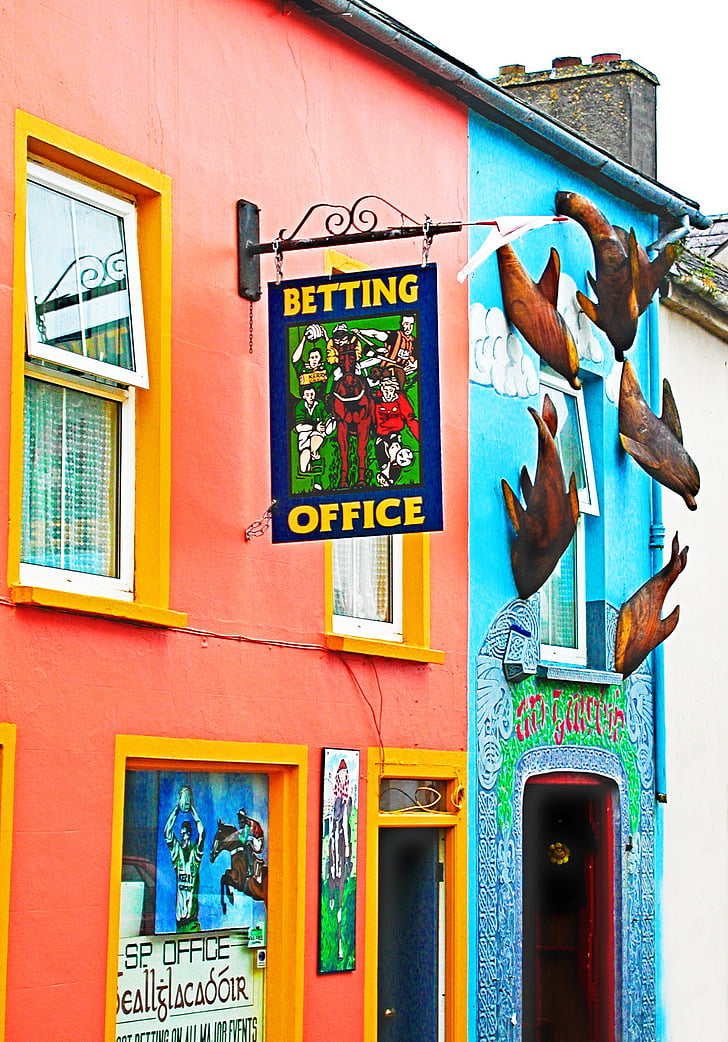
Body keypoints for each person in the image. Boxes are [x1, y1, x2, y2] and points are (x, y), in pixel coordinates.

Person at [164, 786, 206, 932]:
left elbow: (202, 832)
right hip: (179, 923)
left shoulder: (195, 855)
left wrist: (192, 810)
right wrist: (177, 809)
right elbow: (167, 832)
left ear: (190, 834)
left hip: (192, 922)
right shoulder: (178, 855)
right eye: (182, 834)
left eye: (186, 834)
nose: (184, 837)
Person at [372, 367, 420, 486]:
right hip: (380, 434)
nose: (388, 393)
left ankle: (391, 478)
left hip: (394, 433)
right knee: (382, 451)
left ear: (395, 389)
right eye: (385, 389)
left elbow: (410, 419)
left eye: (390, 389)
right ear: (381, 388)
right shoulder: (375, 399)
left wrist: (420, 437)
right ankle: (384, 472)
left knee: (395, 450)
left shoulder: (400, 400)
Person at [294, 386, 332, 476]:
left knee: (316, 439)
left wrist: (328, 423)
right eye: (307, 395)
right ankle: (309, 463)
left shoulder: (320, 404)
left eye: (312, 394)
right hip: (305, 433)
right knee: (304, 468)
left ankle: (315, 459)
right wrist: (315, 427)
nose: (310, 397)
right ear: (303, 396)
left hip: (318, 432)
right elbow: (299, 428)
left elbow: (326, 417)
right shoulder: (300, 406)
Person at [236, 808, 265, 886]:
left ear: (243, 818)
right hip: (256, 841)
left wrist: (238, 836)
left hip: (259, 842)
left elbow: (243, 840)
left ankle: (251, 868)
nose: (239, 820)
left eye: (240, 817)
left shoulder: (247, 824)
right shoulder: (246, 824)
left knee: (248, 841)